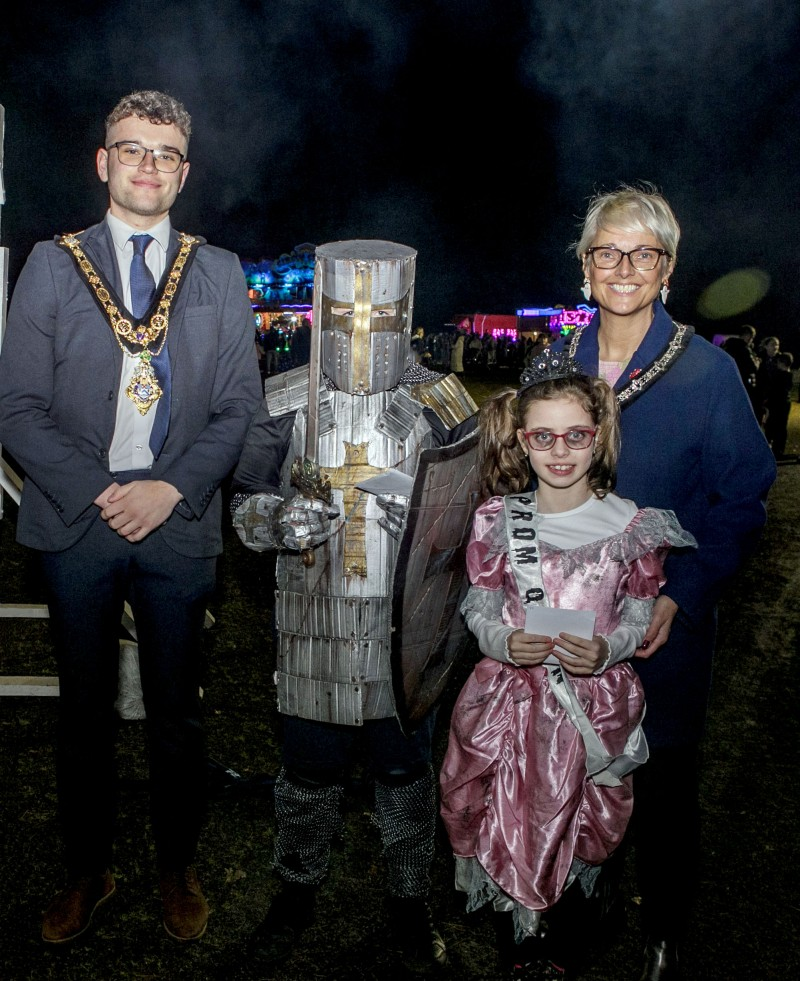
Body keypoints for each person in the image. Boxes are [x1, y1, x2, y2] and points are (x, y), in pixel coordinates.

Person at [0, 90, 262, 945]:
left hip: (178, 524)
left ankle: (175, 862)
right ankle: (89, 868)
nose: (148, 164)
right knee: (83, 712)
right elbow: (16, 407)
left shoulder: (218, 271)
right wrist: (105, 490)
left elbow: (237, 410)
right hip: (80, 522)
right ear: (102, 162)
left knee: (177, 712)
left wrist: (170, 487)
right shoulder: (52, 262)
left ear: (184, 172)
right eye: (131, 148)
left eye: (165, 153)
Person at [228, 240, 478, 973]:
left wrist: (436, 529)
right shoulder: (283, 400)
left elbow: (479, 516)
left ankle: (408, 900)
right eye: (345, 312)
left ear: (406, 312)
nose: (363, 328)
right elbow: (242, 503)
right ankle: (296, 889)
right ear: (320, 311)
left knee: (405, 776)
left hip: (408, 631)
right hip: (315, 624)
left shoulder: (444, 402)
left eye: (379, 312)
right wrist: (277, 521)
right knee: (307, 772)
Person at [558, 184, 776, 980]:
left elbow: (742, 496)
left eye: (641, 252)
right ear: (585, 267)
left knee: (664, 780)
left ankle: (665, 923)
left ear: (666, 269)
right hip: (569, 622)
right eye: (606, 251)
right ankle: (587, 894)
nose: (623, 266)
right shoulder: (554, 362)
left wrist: (682, 595)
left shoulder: (707, 375)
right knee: (576, 766)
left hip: (662, 625)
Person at [440, 349, 696, 979]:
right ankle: (520, 947)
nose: (560, 452)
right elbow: (477, 604)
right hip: (508, 707)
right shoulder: (498, 520)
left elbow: (638, 612)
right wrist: (502, 641)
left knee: (581, 831)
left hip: (593, 709)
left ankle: (567, 941)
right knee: (508, 824)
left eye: (576, 435)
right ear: (521, 441)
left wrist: (609, 648)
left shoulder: (632, 526)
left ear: (597, 437)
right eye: (543, 436)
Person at [762, 351, 794, 458]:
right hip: (785, 403)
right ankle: (779, 449)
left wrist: (767, 401)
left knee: (772, 425)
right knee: (782, 426)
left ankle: (771, 447)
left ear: (781, 363)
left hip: (776, 404)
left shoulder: (778, 376)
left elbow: (773, 391)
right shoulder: (789, 376)